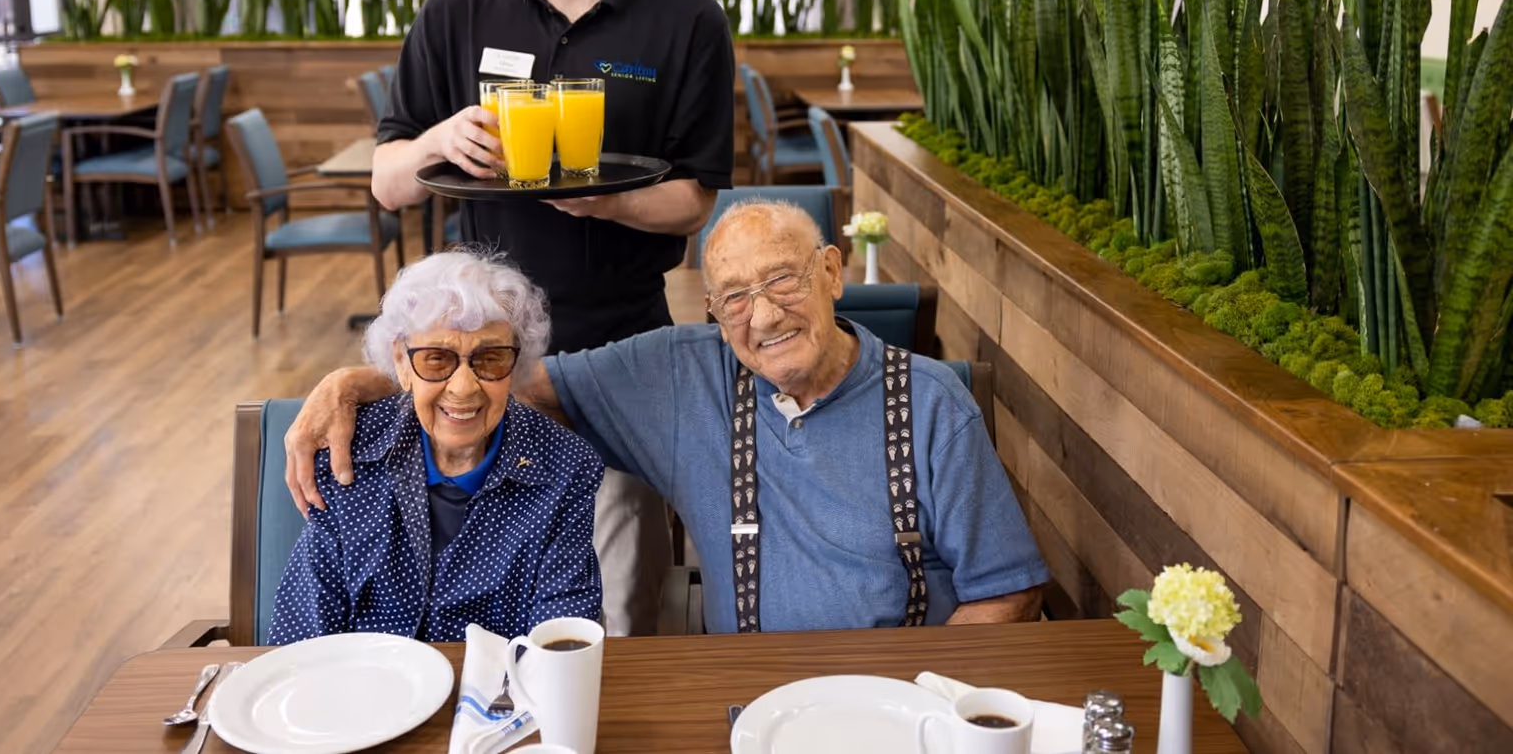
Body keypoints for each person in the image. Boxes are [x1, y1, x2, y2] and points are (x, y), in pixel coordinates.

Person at [286, 201, 1050, 632]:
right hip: (748, 713)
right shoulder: (679, 375)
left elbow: (1009, 591)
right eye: (734, 299)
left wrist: (916, 709)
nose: (763, 316)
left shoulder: (929, 402)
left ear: (831, 273)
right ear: (712, 312)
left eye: (782, 280)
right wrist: (369, 380)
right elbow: (496, 377)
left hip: (900, 705)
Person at [367, 0, 734, 635]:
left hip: (623, 341)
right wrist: (435, 145)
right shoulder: (458, 10)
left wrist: (608, 203)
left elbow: (692, 201)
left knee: (618, 581)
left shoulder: (687, 23)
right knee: (476, 578)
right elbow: (388, 182)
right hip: (474, 348)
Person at [268, 251, 603, 645]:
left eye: (491, 359)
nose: (463, 388)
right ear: (401, 362)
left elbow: (561, 642)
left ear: (517, 365)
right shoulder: (349, 453)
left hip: (501, 699)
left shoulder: (565, 468)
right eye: (436, 359)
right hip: (363, 697)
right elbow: (301, 641)